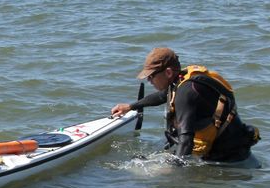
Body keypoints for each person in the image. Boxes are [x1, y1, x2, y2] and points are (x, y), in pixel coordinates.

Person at [111, 47, 260, 164]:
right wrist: (130, 107)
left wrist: (175, 181)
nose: (150, 81)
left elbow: (186, 140)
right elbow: (163, 96)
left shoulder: (185, 93)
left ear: (168, 72)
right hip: (234, 152)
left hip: (230, 161)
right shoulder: (182, 82)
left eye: (151, 76)